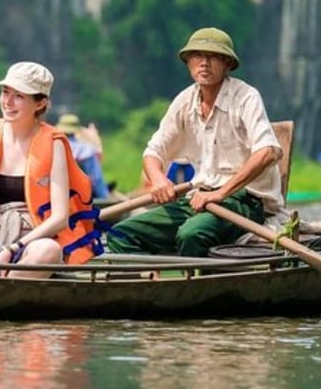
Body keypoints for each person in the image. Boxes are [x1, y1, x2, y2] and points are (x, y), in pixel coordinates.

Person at [107, 27, 286, 257]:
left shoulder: (246, 97)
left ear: (227, 64)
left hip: (244, 200)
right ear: (188, 63)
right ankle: (149, 285)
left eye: (213, 57)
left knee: (192, 234)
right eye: (198, 56)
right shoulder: (184, 101)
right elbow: (153, 151)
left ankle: (196, 288)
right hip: (199, 199)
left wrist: (221, 193)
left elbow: (267, 152)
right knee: (120, 234)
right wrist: (159, 180)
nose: (204, 63)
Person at [0, 62, 103, 278]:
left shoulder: (54, 144)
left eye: (19, 96)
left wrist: (14, 248)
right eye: (5, 92)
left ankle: (9, 294)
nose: (8, 102)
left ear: (40, 103)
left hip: (34, 235)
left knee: (49, 251)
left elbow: (60, 217)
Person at [55, 113, 110, 199]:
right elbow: (96, 178)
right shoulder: (87, 150)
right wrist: (104, 197)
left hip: (57, 195)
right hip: (83, 196)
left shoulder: (53, 148)